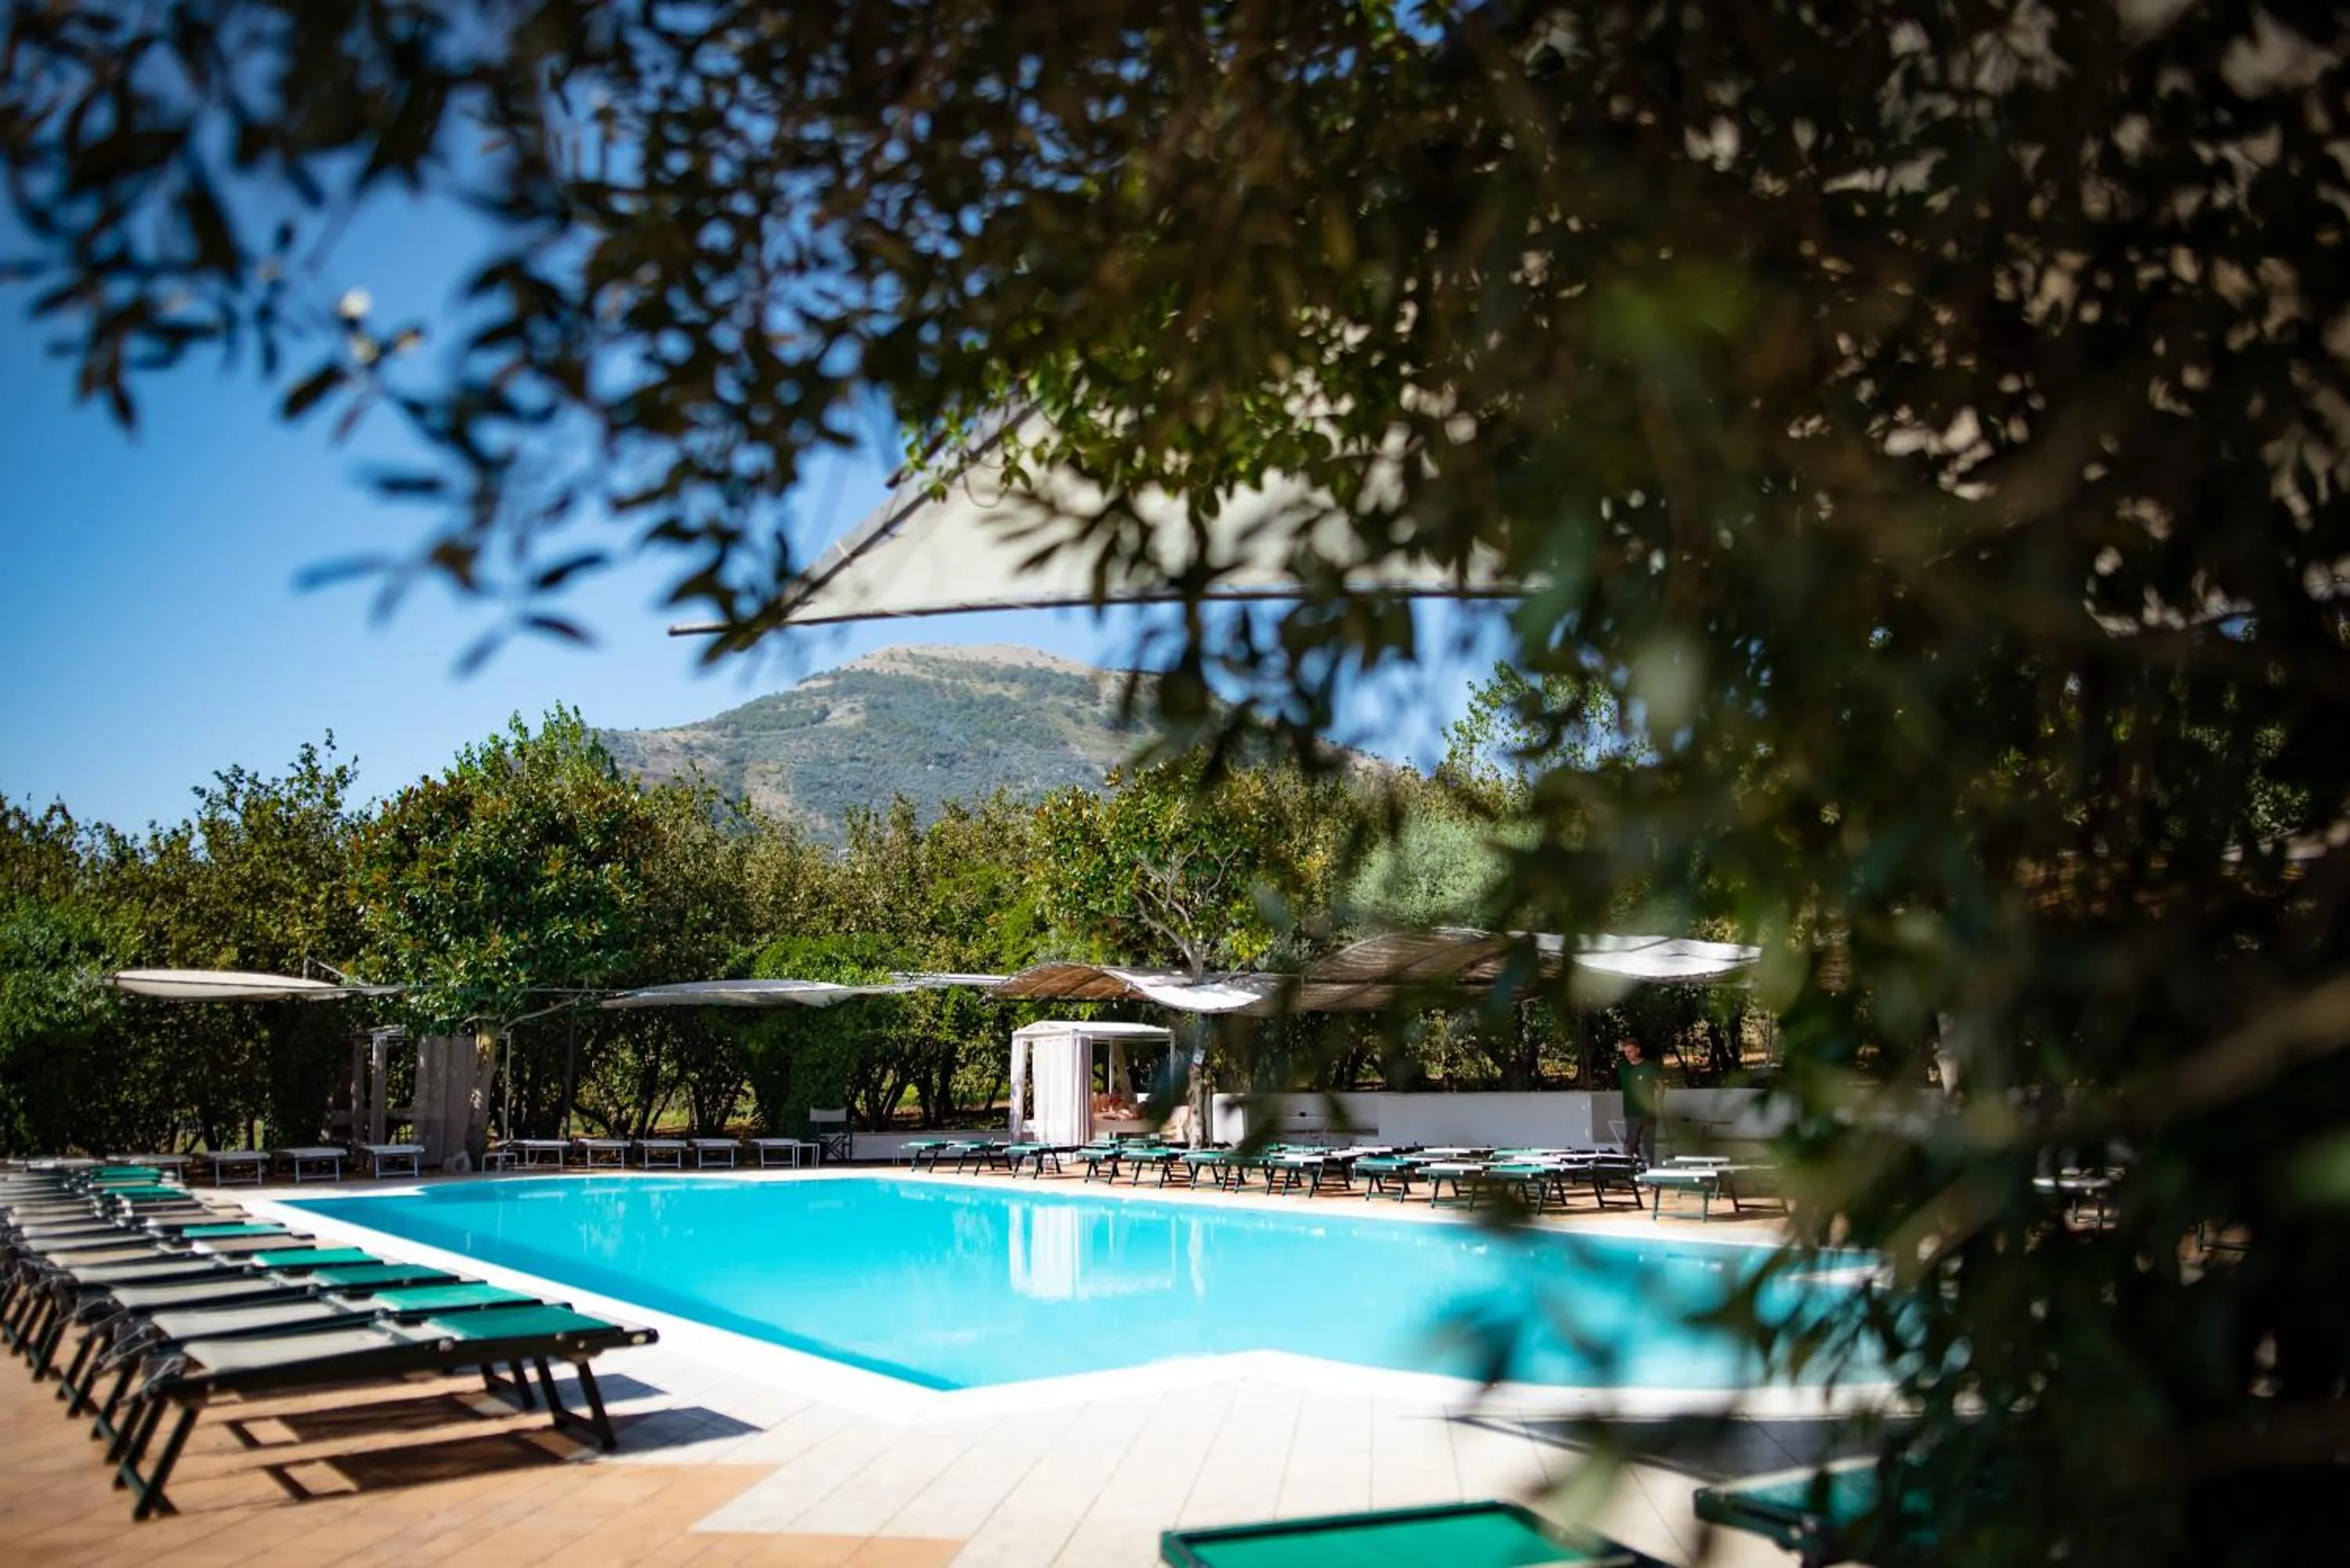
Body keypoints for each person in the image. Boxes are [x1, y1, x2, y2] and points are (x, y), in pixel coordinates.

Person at [1618, 1037, 1661, 1168]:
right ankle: (1632, 1174)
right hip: (1631, 1112)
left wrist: (1660, 1095)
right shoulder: (1623, 1068)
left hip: (1648, 1113)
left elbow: (1660, 1085)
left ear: (1638, 1050)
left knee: (1648, 1145)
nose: (1628, 1054)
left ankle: (1650, 1178)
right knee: (1630, 1145)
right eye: (1625, 1052)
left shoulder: (1649, 1067)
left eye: (1630, 1051)